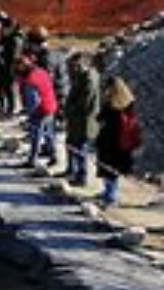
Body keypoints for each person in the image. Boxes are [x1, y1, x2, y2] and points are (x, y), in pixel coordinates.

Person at [95, 76, 141, 207]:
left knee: (108, 170)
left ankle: (110, 197)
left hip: (109, 142)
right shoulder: (129, 102)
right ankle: (109, 194)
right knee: (113, 170)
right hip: (122, 142)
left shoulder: (111, 104)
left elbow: (99, 118)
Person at [62, 52, 100, 187]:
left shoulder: (89, 77)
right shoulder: (81, 76)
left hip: (84, 120)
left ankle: (81, 176)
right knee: (71, 143)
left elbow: (85, 101)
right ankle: (72, 170)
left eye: (75, 65)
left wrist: (70, 110)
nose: (73, 68)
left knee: (80, 148)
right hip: (76, 119)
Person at [17, 53, 59, 170]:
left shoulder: (30, 80)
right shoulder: (41, 71)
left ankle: (32, 160)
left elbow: (33, 102)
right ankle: (53, 156)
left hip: (40, 110)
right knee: (49, 133)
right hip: (51, 105)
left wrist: (30, 117)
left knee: (36, 135)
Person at [0, 12, 23, 117]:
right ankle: (1, 106)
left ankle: (11, 108)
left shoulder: (16, 39)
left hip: (10, 67)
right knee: (0, 87)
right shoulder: (5, 37)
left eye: (5, 29)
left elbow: (15, 56)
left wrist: (12, 69)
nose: (2, 31)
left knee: (9, 88)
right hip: (2, 65)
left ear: (11, 28)